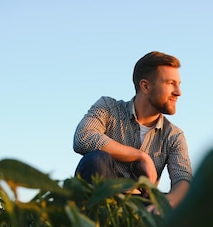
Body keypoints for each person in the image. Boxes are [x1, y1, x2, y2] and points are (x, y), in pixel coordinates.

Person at [73, 51, 192, 209]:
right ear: (146, 86)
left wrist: (164, 205)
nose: (178, 92)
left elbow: (183, 179)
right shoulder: (108, 108)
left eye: (179, 84)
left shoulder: (174, 135)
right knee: (96, 160)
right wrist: (140, 156)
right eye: (171, 83)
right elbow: (83, 138)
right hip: (105, 199)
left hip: (145, 206)